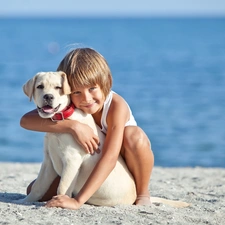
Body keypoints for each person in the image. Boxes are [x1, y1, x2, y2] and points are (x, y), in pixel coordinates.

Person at [20, 47, 154, 210]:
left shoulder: (116, 107)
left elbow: (110, 158)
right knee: (33, 189)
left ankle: (143, 193)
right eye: (76, 91)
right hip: (87, 163)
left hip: (119, 161)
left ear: (107, 82)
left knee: (134, 135)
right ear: (68, 90)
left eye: (92, 88)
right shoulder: (69, 105)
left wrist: (78, 201)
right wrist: (73, 126)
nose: (86, 98)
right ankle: (84, 192)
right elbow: (26, 121)